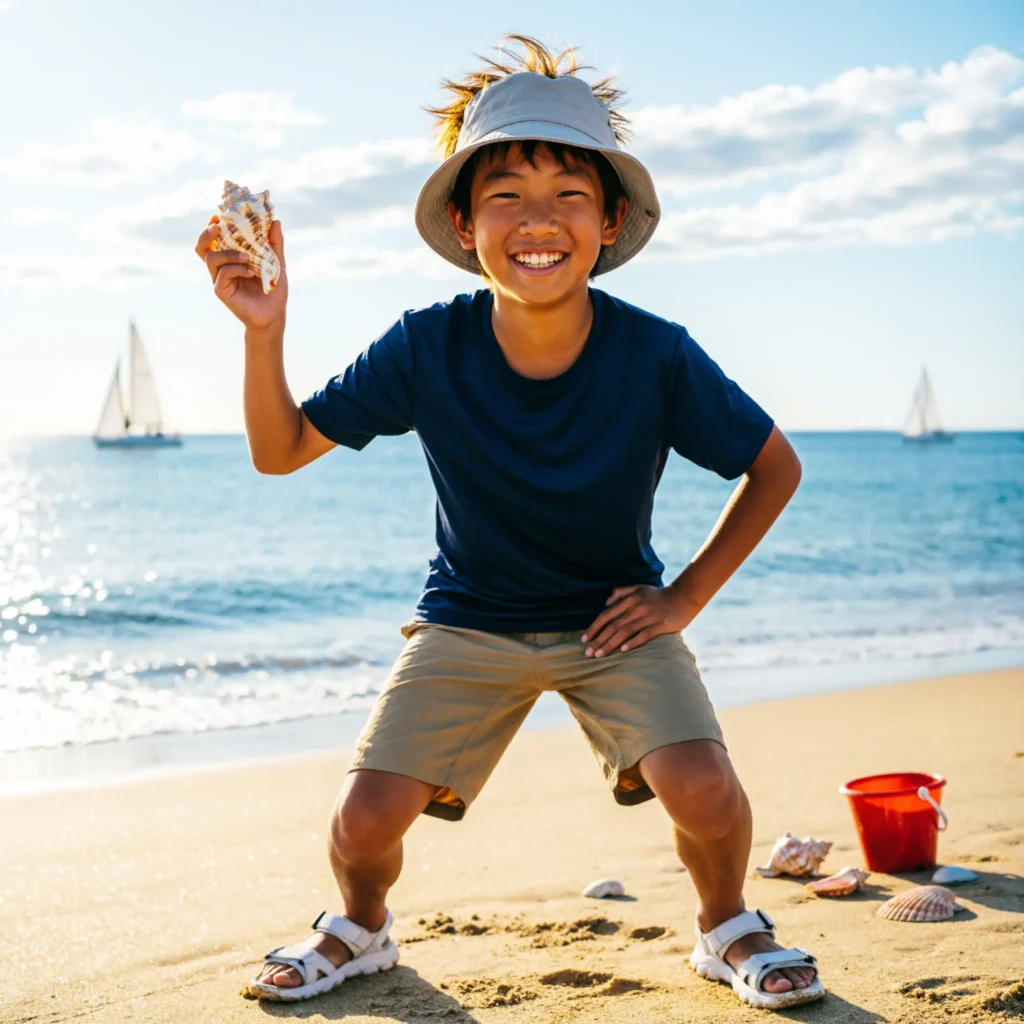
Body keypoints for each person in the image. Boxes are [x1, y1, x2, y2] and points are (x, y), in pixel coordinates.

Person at [194, 35, 824, 1012]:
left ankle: (727, 921)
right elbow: (280, 450)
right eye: (506, 196)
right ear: (463, 220)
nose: (538, 220)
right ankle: (360, 925)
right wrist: (265, 330)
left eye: (569, 193)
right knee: (362, 822)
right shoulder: (424, 343)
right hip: (468, 619)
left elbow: (772, 464)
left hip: (612, 621)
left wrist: (685, 594)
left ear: (609, 221)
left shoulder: (654, 352)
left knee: (704, 786)